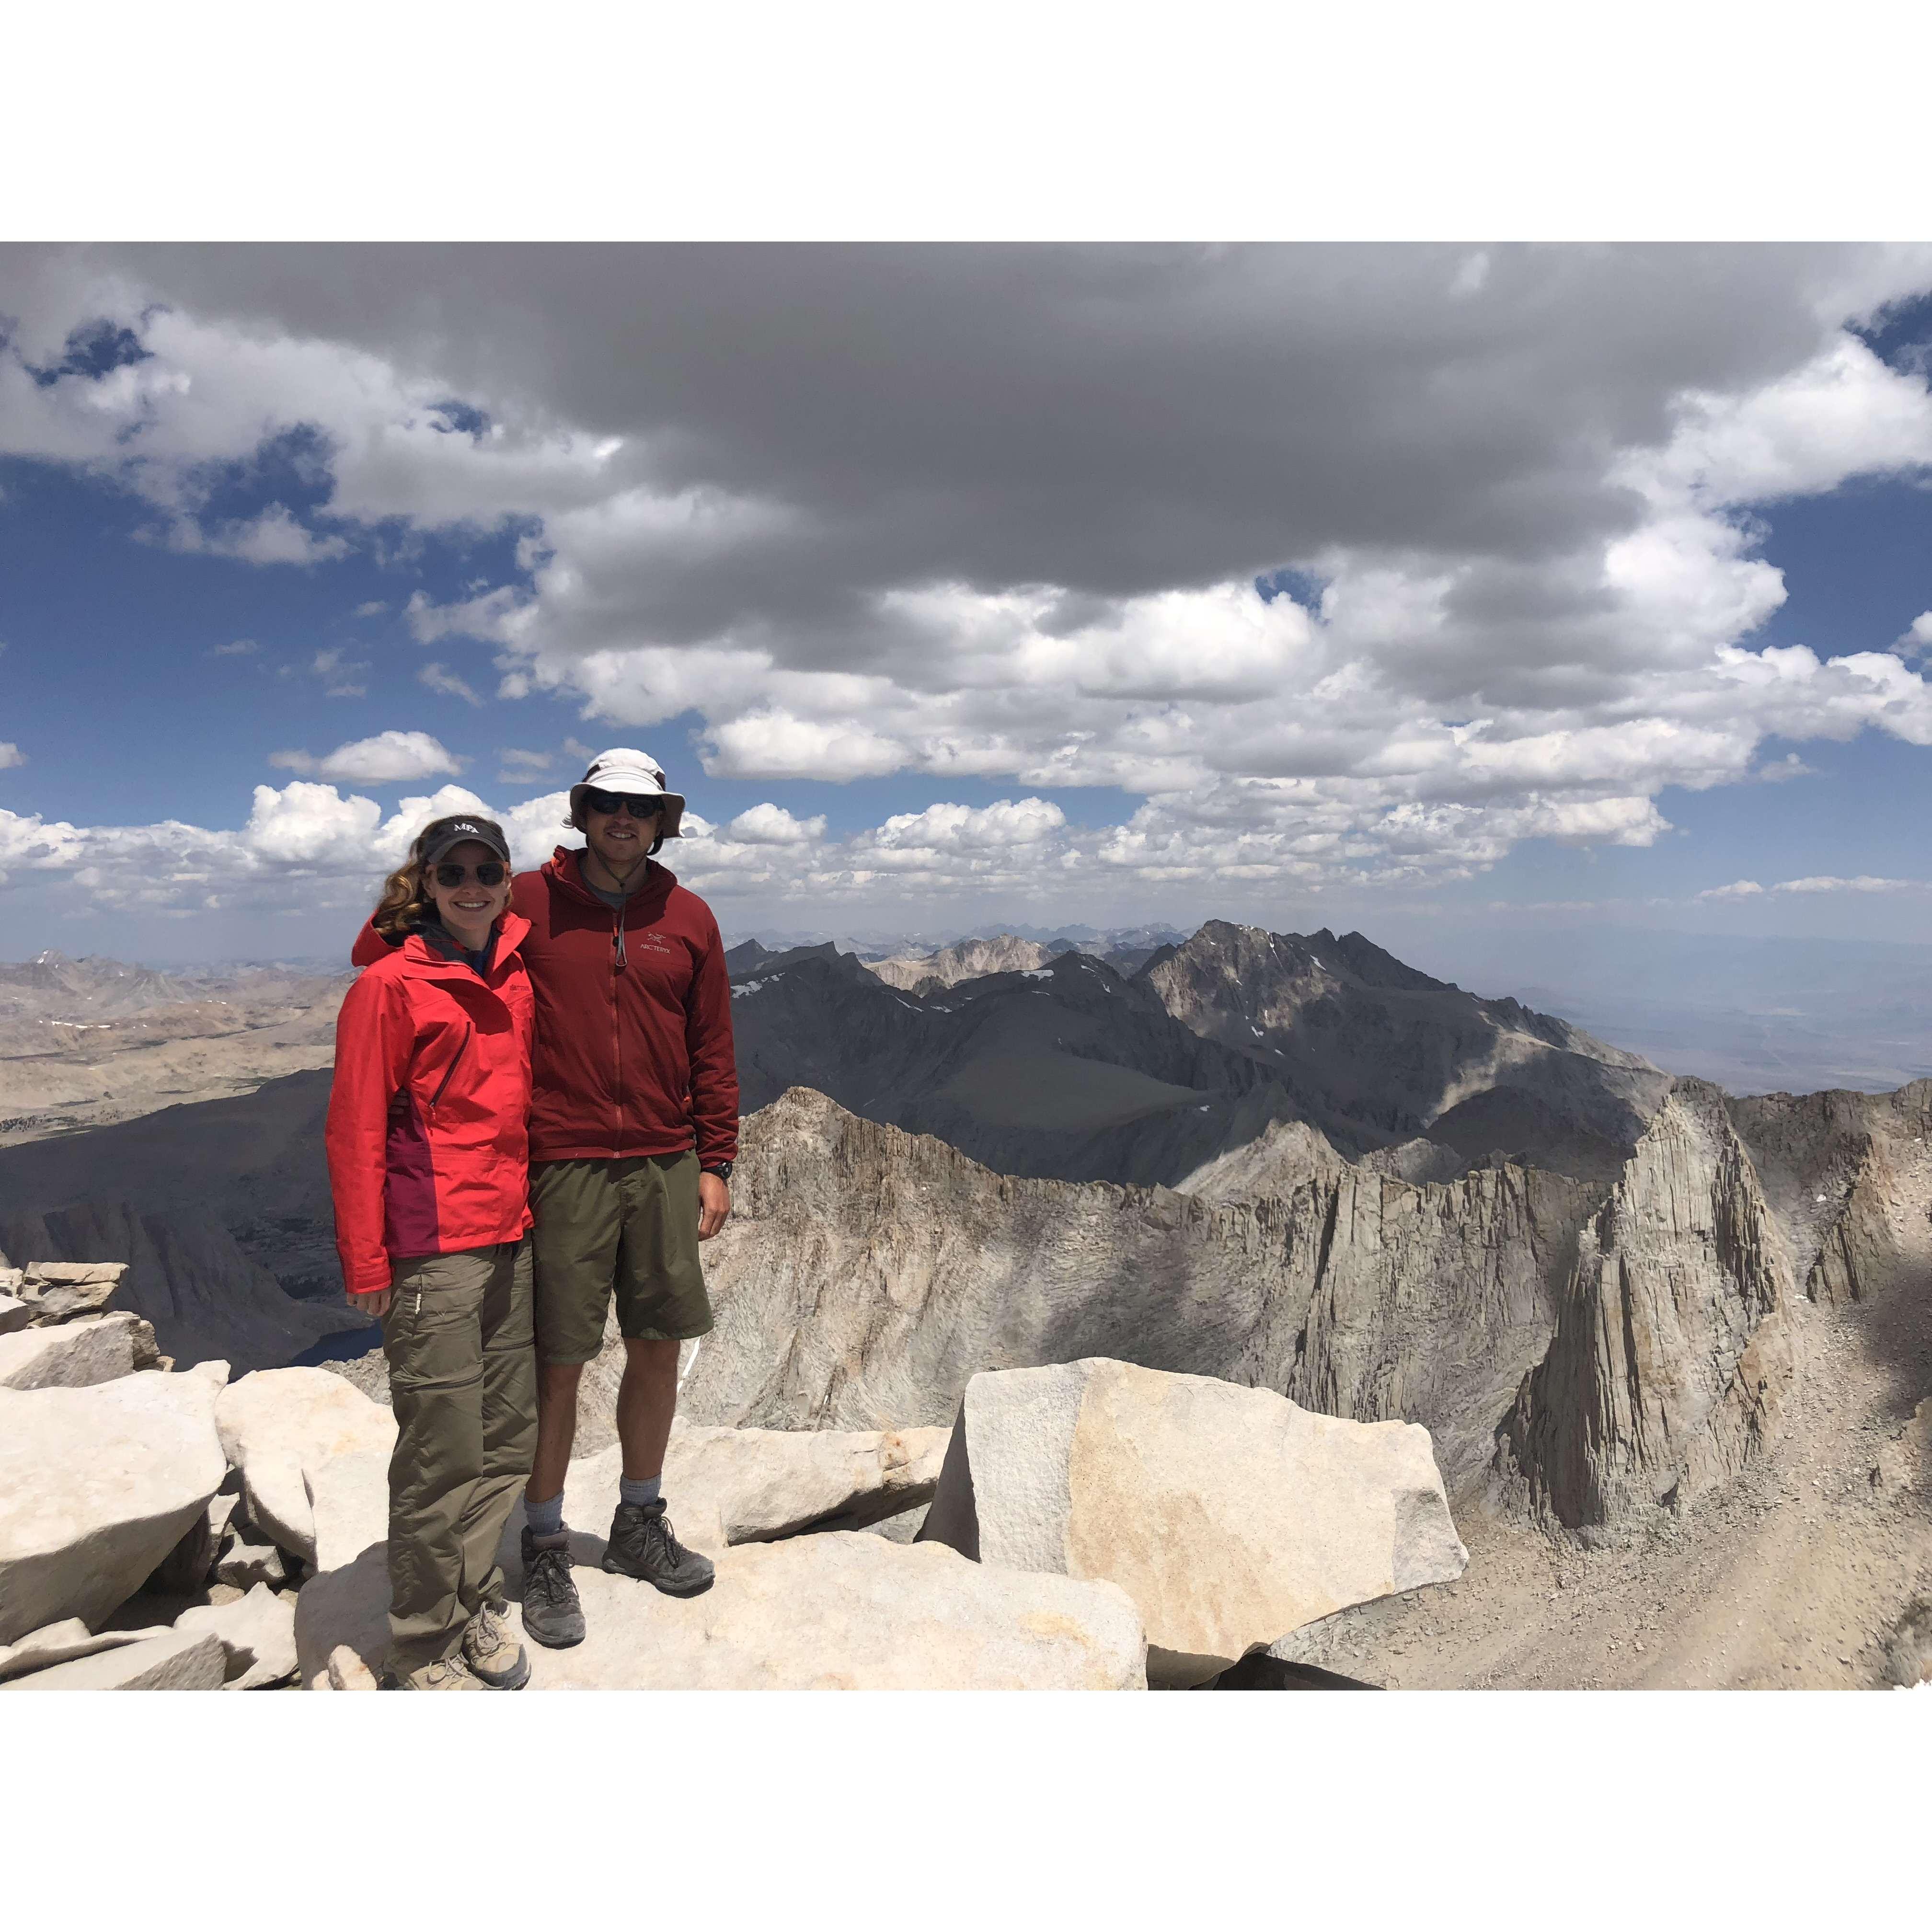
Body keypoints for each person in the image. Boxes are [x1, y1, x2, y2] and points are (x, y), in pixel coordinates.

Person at [351, 749, 738, 1650]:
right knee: (557, 1360)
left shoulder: (688, 917)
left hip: (663, 1161)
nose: (622, 820)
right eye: (606, 805)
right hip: (559, 1165)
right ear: (583, 812)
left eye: (640, 809)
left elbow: (711, 1042)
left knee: (656, 1346)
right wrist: (408, 921)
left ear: (662, 821)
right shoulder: (524, 896)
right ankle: (548, 1539)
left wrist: (715, 1157)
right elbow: (385, 945)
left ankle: (640, 1519)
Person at [327, 814, 539, 1691]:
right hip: (434, 1249)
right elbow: (354, 1128)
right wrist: (368, 1261)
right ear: (427, 882)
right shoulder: (390, 985)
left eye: (487, 867)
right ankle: (422, 1643)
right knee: (440, 1450)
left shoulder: (517, 962)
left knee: (505, 1440)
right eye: (453, 870)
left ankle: (475, 1597)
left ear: (505, 876)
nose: (473, 884)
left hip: (511, 1237)